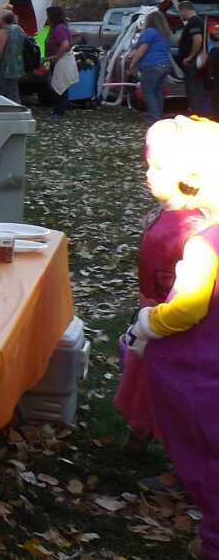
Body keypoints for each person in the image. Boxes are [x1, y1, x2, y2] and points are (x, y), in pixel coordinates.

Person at [126, 116, 219, 559]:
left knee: (206, 459)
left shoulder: (203, 244)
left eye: (158, 166)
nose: (149, 174)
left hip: (199, 373)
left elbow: (187, 307)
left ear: (192, 178)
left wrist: (148, 323)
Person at [116, 119, 207, 460]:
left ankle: (168, 445)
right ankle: (139, 434)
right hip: (151, 306)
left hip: (173, 318)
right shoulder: (169, 211)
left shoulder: (195, 227)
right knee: (142, 375)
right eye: (149, 165)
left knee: (163, 381)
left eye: (159, 168)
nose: (149, 174)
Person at [128, 11, 176, 124]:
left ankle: (154, 117)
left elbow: (143, 49)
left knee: (148, 92)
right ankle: (158, 114)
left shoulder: (150, 31)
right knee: (157, 91)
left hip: (152, 65)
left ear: (150, 21)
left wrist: (133, 62)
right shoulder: (165, 33)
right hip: (165, 64)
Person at [176, 2, 209, 118]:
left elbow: (198, 40)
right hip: (197, 60)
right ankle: (199, 111)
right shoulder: (199, 21)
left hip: (193, 61)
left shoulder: (194, 22)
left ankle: (196, 113)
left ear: (185, 10)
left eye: (180, 12)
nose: (180, 15)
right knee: (197, 86)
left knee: (193, 87)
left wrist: (190, 57)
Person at [43, 5, 76, 117]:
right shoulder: (59, 27)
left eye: (48, 16)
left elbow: (65, 44)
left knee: (61, 85)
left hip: (61, 61)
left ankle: (59, 111)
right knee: (57, 84)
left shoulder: (60, 29)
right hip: (57, 60)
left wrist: (56, 57)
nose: (47, 18)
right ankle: (57, 109)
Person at [0, 11, 26, 104]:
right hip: (17, 64)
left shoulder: (3, 31)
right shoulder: (19, 29)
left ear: (2, 19)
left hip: (6, 66)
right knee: (13, 90)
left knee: (4, 91)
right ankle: (16, 105)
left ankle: (8, 108)